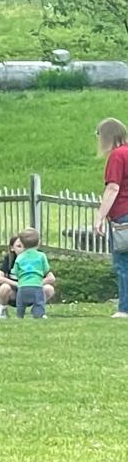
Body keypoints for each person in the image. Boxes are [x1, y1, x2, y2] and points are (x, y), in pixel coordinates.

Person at [93, 117, 128, 318]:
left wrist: (99, 216)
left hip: (123, 215)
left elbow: (113, 187)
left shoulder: (117, 155)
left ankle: (125, 308)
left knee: (123, 263)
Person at [0, 233, 55, 318]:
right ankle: (3, 309)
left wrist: (35, 283)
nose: (23, 249)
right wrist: (17, 284)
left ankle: (37, 308)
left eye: (24, 246)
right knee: (4, 288)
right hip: (15, 292)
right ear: (12, 248)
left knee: (49, 289)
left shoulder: (37, 257)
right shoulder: (10, 259)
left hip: (34, 289)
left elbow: (51, 278)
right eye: (19, 246)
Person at [10, 228, 51, 319]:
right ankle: (38, 315)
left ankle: (20, 316)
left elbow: (16, 271)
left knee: (20, 304)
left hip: (22, 286)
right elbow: (46, 269)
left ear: (22, 244)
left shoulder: (20, 257)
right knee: (38, 302)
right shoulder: (41, 256)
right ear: (38, 243)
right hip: (37, 285)